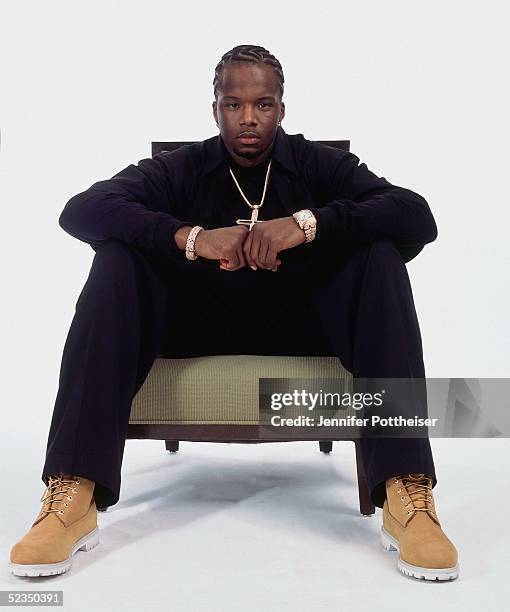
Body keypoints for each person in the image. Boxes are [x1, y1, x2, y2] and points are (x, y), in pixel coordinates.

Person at [9, 44, 459, 581]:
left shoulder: (318, 164)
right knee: (116, 261)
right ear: (215, 108)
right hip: (196, 324)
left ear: (282, 109)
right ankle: (73, 493)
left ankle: (407, 490)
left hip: (305, 325)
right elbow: (80, 210)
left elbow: (416, 216)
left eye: (263, 105)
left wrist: (306, 224)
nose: (248, 119)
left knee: (382, 259)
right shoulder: (184, 167)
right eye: (233, 104)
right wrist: (192, 238)